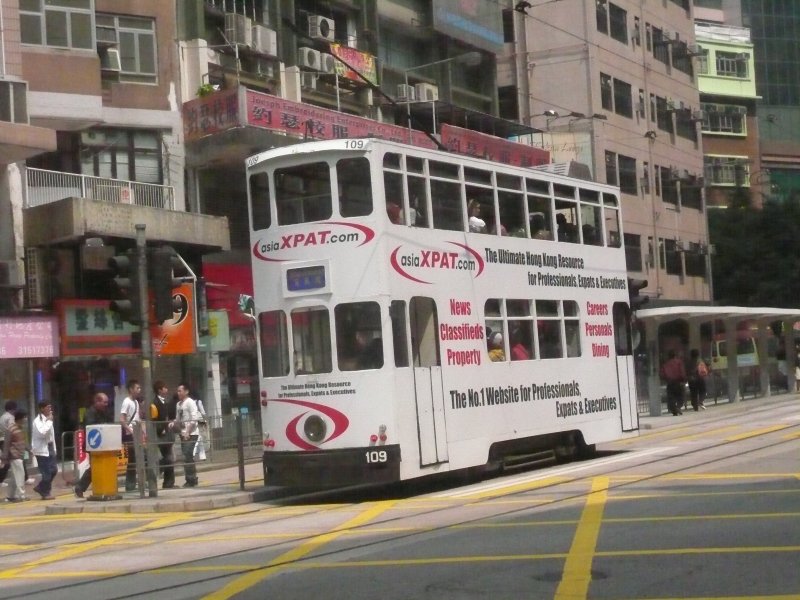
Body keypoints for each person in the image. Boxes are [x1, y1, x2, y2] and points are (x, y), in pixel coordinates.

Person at [73, 392, 111, 498]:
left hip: (104, 444)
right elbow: (91, 427)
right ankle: (80, 487)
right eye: (104, 402)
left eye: (107, 402)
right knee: (94, 467)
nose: (106, 404)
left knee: (98, 467)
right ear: (97, 401)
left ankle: (84, 487)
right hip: (94, 444)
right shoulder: (90, 413)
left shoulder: (104, 412)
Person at [174, 383, 200, 488]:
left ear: (186, 391)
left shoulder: (190, 402)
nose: (178, 393)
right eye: (178, 391)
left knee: (187, 455)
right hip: (183, 433)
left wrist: (188, 432)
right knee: (186, 456)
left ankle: (191, 479)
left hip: (192, 433)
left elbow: (194, 418)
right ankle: (190, 479)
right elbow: (178, 418)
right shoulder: (178, 404)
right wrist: (174, 424)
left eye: (180, 390)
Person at [31, 401, 58, 500]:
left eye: (50, 407)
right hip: (41, 449)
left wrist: (54, 448)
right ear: (42, 409)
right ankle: (46, 493)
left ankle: (41, 487)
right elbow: (42, 433)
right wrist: (49, 421)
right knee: (46, 473)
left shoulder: (48, 420)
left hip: (49, 447)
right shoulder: (37, 421)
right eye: (47, 407)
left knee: (54, 470)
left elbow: (51, 436)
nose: (50, 409)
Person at [119, 379, 142, 492]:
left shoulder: (136, 402)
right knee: (133, 459)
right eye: (137, 388)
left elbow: (138, 418)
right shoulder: (126, 401)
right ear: (131, 389)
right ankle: (130, 484)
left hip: (137, 433)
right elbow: (122, 419)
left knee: (137, 458)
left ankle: (134, 483)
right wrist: (130, 430)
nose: (139, 390)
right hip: (129, 434)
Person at [152, 381, 175, 489]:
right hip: (160, 434)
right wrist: (161, 429)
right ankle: (160, 471)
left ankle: (168, 483)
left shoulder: (165, 401)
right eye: (164, 388)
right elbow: (154, 420)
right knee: (168, 458)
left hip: (167, 433)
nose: (166, 390)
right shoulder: (154, 403)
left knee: (169, 457)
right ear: (159, 390)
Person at [2, 410, 29, 502]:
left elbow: (24, 441)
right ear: (19, 419)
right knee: (20, 475)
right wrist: (4, 458)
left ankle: (10, 495)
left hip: (20, 455)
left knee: (14, 477)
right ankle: (22, 495)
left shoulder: (21, 428)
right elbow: (6, 444)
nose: (26, 419)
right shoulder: (11, 429)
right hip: (14, 456)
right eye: (24, 417)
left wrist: (29, 450)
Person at [661, 349, 687, 416]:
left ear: (668, 356)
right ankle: (678, 407)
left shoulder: (665, 364)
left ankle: (674, 410)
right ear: (675, 355)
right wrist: (684, 379)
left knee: (671, 397)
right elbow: (682, 372)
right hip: (679, 382)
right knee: (681, 396)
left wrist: (666, 379)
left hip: (670, 383)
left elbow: (662, 374)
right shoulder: (679, 362)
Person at [0, 400, 16, 486]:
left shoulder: (2, 417)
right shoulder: (10, 417)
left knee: (6, 461)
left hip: (2, 440)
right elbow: (12, 429)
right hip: (8, 440)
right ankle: (0, 480)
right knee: (7, 462)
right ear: (12, 409)